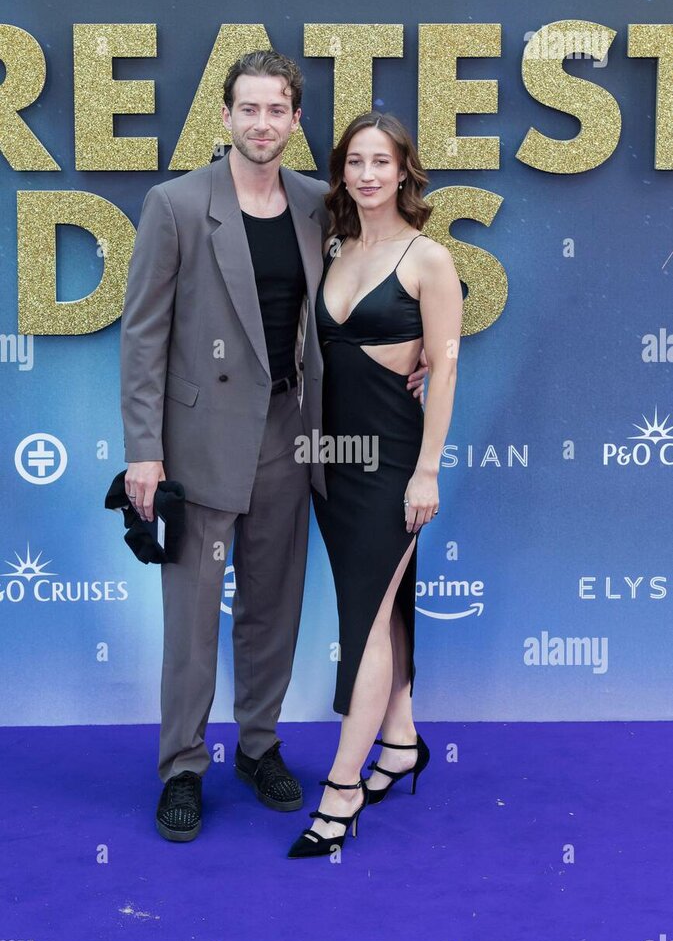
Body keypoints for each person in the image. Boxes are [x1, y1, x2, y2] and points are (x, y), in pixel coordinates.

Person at [120, 51, 427, 842]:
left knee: (273, 605)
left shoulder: (318, 203)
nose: (262, 123)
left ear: (294, 119)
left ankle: (258, 747)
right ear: (225, 116)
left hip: (290, 434)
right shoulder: (175, 204)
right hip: (197, 442)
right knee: (192, 618)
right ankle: (184, 766)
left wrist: (421, 348)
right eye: (248, 109)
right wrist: (143, 450)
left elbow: (375, 282)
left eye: (276, 110)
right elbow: (143, 337)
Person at [287, 112, 463, 858]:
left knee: (361, 623)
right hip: (330, 458)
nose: (366, 174)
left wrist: (426, 471)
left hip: (392, 462)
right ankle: (398, 743)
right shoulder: (335, 248)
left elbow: (444, 368)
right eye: (354, 162)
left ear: (403, 172)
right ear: (342, 173)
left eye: (380, 162)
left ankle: (341, 789)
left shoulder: (429, 259)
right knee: (381, 610)